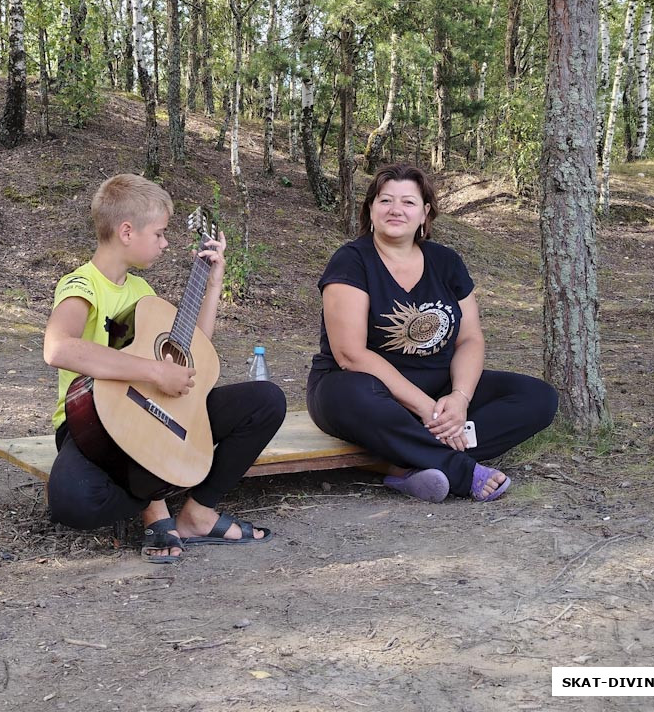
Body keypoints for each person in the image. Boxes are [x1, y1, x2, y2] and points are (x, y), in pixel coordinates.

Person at [43, 173, 286, 562]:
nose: (165, 242)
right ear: (126, 231)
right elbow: (58, 349)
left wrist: (212, 284)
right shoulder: (81, 285)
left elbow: (194, 353)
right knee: (74, 504)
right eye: (159, 234)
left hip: (153, 415)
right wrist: (153, 372)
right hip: (94, 429)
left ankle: (197, 512)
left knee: (266, 400)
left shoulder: (144, 294)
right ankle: (156, 499)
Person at [306, 163, 557, 503]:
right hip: (364, 389)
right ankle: (459, 470)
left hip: (438, 386)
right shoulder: (351, 261)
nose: (396, 210)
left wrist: (459, 399)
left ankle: (405, 465)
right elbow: (350, 354)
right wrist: (428, 409)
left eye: (408, 202)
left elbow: (470, 338)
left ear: (425, 213)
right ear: (371, 209)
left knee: (537, 397)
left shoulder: (446, 262)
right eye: (385, 201)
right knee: (353, 395)